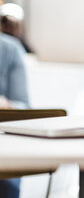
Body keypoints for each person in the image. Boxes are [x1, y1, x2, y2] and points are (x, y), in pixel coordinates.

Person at [0, 32, 30, 198]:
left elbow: (23, 106)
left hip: (3, 148)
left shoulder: (9, 49)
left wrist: (5, 104)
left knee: (7, 184)